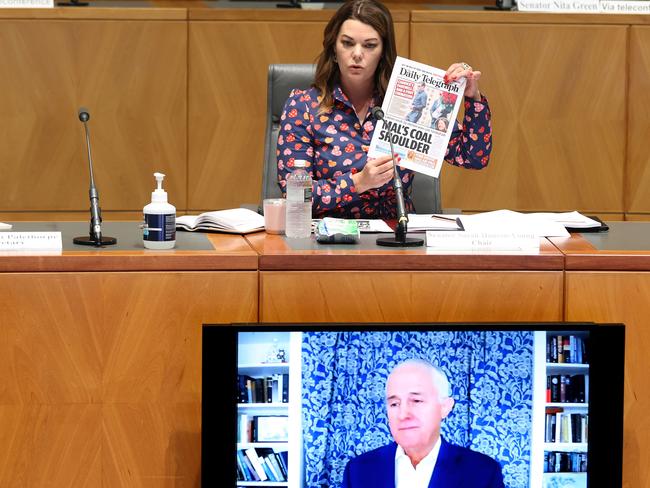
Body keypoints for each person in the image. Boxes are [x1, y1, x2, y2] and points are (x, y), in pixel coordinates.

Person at [276, 0, 491, 219]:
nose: (357, 54)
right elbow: (295, 196)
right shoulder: (303, 106)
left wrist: (472, 97)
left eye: (369, 45)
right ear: (333, 48)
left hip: (395, 237)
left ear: (382, 53)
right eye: (348, 43)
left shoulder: (407, 99)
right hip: (327, 240)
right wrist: (358, 182)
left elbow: (473, 157)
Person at [341, 359, 505, 488]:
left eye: (416, 400)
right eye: (394, 404)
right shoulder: (358, 470)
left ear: (445, 407)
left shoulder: (482, 472)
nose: (403, 414)